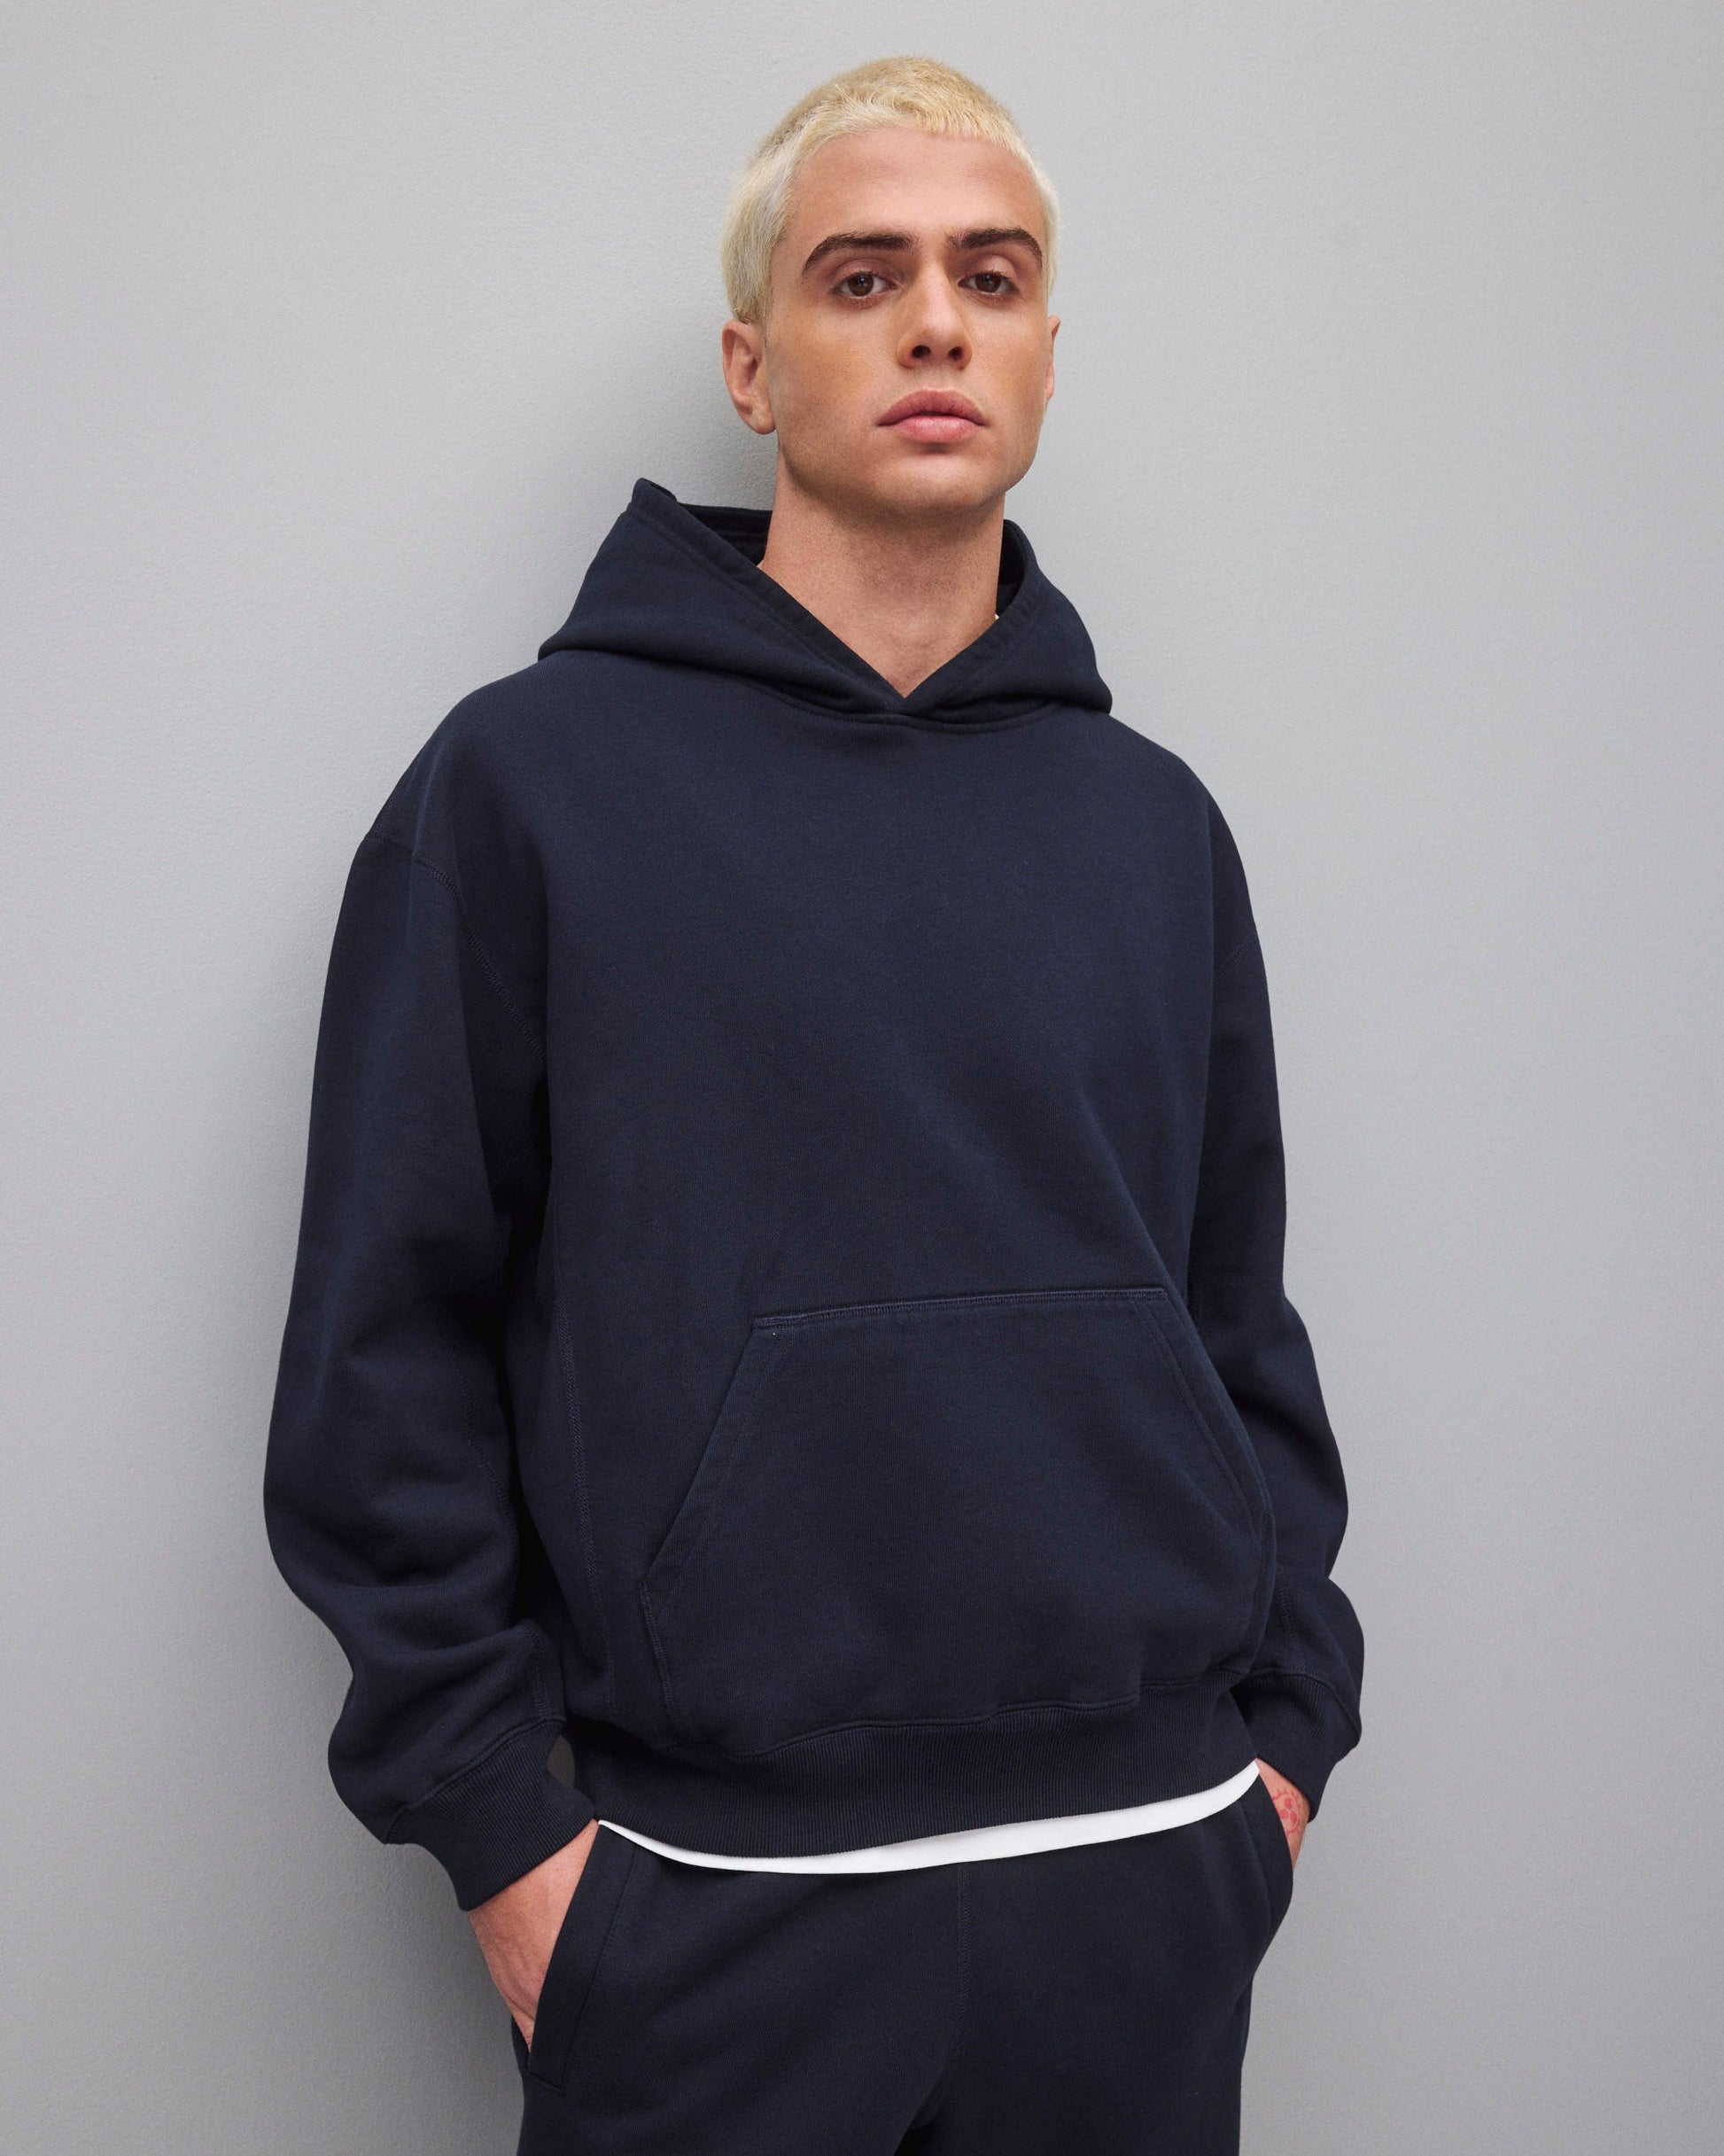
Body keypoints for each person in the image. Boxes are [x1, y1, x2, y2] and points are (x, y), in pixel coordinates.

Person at [264, 54, 1363, 2155]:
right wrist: (506, 1837)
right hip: (710, 1904)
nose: (936, 321)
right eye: (864, 276)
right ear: (752, 368)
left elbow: (1236, 1325)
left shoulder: (1153, 826)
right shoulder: (524, 790)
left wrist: (1282, 1752)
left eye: (990, 276)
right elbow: (378, 1352)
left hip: (1143, 1878)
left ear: (1045, 350)